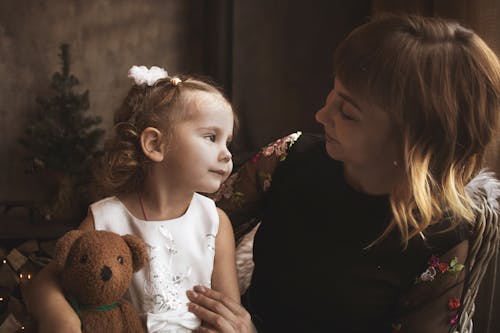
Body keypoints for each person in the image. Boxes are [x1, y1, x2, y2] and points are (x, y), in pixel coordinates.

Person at [186, 14, 500, 333]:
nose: (321, 115)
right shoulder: (288, 157)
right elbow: (189, 228)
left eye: (348, 113)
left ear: (412, 145)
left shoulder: (444, 237)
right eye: (332, 94)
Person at [27, 65, 240, 333]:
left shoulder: (215, 223)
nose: (227, 155)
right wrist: (62, 319)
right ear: (154, 144)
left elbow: (228, 313)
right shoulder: (107, 218)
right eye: (212, 137)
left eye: (228, 142)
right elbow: (44, 282)